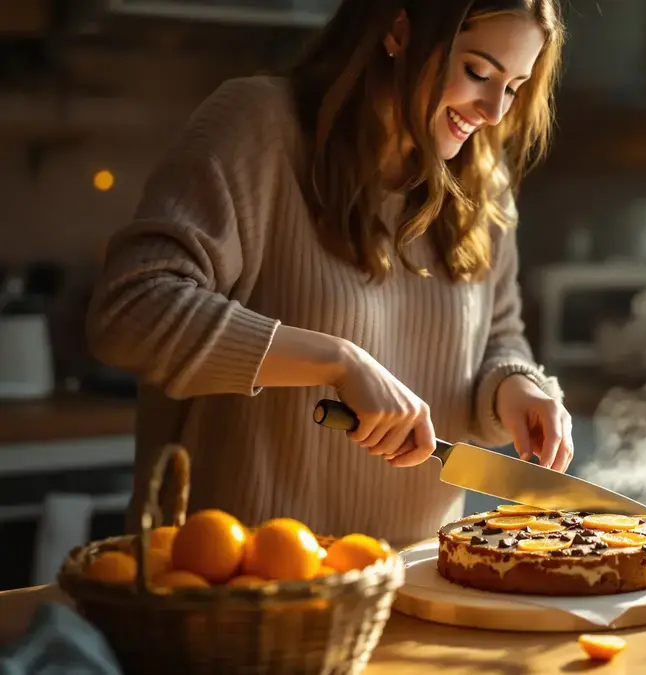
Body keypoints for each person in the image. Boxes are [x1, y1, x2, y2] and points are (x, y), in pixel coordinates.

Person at [85, 0, 571, 548]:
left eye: (513, 87)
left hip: (414, 586)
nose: (493, 112)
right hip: (232, 590)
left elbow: (499, 332)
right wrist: (336, 361)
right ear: (398, 28)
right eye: (477, 73)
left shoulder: (484, 180)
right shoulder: (259, 127)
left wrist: (515, 387)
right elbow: (131, 309)